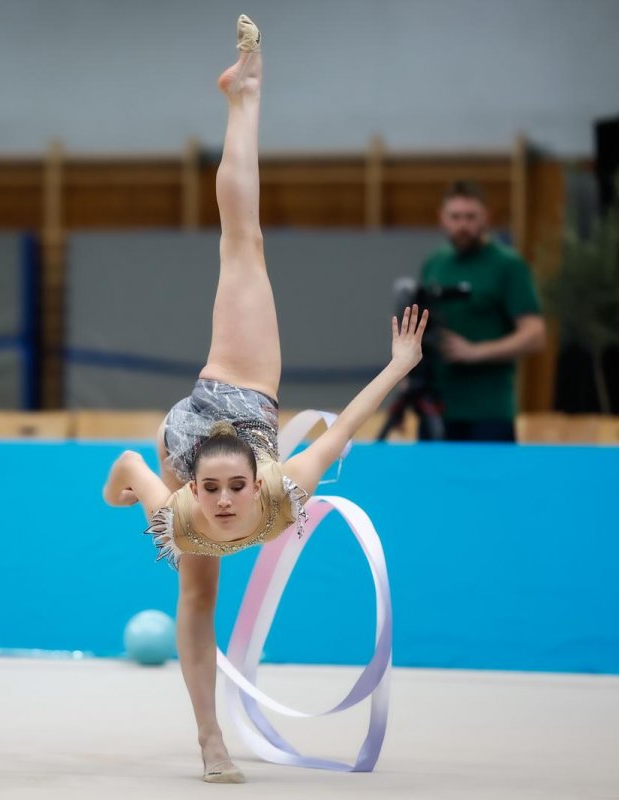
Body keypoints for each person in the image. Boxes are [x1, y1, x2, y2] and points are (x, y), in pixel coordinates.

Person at [103, 15, 428, 784]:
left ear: (258, 479)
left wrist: (400, 362)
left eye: (230, 492)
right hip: (225, 406)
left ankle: (242, 97)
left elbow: (346, 424)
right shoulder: (184, 512)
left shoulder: (282, 488)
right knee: (197, 585)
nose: (219, 503)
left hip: (220, 413)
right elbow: (127, 461)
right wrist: (127, 493)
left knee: (241, 239)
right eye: (214, 493)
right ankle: (210, 741)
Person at [419, 180, 546, 441]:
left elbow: (535, 335)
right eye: (455, 217)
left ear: (486, 219)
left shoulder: (507, 265)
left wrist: (475, 352)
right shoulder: (434, 263)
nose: (462, 225)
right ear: (441, 219)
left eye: (470, 217)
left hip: (489, 411)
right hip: (436, 407)